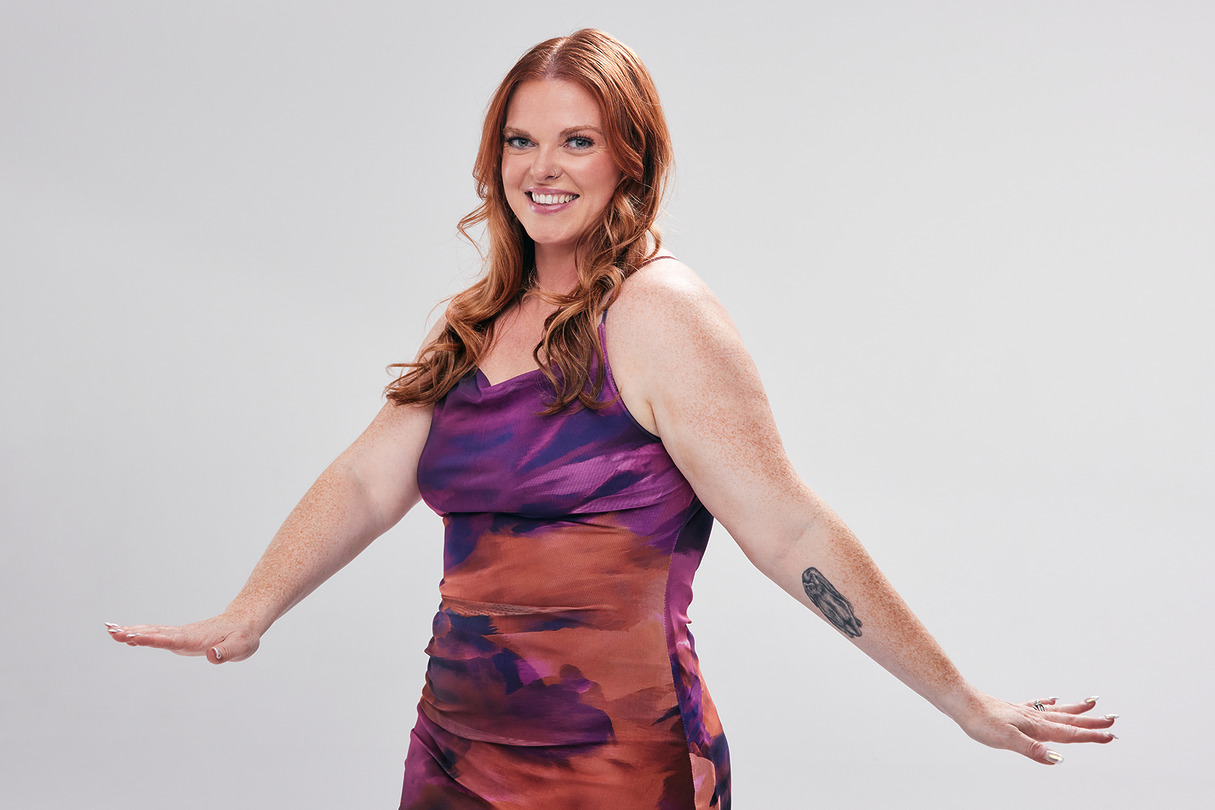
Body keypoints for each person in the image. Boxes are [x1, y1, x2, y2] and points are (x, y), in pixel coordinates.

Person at [106, 28, 1117, 809]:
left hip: (617, 762)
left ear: (629, 158)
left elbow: (789, 528)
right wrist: (253, 609)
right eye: (521, 140)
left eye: (576, 141)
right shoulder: (479, 323)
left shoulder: (658, 313)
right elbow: (368, 480)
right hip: (454, 751)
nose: (541, 167)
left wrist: (958, 698)